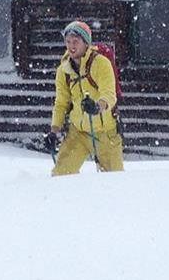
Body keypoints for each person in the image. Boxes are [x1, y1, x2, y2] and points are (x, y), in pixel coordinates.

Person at [43, 19, 124, 175]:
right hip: (78, 132)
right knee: (61, 175)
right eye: (68, 41)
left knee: (114, 179)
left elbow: (109, 94)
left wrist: (98, 106)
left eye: (76, 41)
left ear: (86, 43)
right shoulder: (63, 70)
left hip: (105, 132)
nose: (71, 46)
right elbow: (61, 103)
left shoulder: (101, 63)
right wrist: (54, 131)